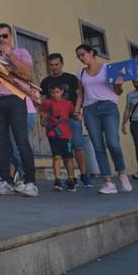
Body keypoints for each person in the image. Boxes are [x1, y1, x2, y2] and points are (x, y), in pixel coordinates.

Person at [0, 23, 38, 197]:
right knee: (1, 143)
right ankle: (6, 181)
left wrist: (9, 54)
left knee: (21, 141)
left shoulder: (21, 53)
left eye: (4, 36)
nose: (1, 39)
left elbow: (28, 73)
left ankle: (30, 182)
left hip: (16, 98)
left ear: (11, 37)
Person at [76, 44, 132, 195]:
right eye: (79, 56)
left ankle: (121, 174)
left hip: (109, 107)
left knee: (113, 143)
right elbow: (81, 94)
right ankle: (108, 182)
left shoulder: (108, 68)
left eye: (83, 54)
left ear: (91, 52)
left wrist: (119, 85)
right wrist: (77, 110)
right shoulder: (80, 73)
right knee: (98, 146)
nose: (81, 58)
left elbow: (118, 92)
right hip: (90, 110)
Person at [40, 53, 93, 188]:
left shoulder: (71, 78)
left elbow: (80, 94)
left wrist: (77, 111)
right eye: (51, 65)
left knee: (78, 146)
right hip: (55, 123)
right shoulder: (45, 82)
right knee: (62, 150)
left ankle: (84, 175)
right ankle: (70, 177)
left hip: (72, 116)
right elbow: (43, 101)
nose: (54, 67)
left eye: (56, 64)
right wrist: (44, 116)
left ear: (62, 64)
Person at [39, 83, 77, 192]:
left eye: (58, 92)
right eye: (53, 93)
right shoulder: (48, 103)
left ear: (62, 91)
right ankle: (57, 179)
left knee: (69, 157)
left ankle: (70, 179)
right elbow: (41, 110)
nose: (55, 95)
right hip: (53, 134)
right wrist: (43, 119)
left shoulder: (68, 104)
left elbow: (74, 114)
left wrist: (79, 117)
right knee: (56, 156)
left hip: (66, 135)